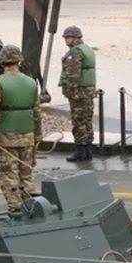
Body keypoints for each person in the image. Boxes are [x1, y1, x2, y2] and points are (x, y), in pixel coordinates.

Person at [0, 45, 42, 212]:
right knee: (27, 174)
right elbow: (37, 112)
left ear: (2, 63)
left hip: (7, 138)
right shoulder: (31, 82)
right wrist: (37, 135)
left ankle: (15, 209)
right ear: (19, 61)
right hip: (28, 135)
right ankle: (31, 206)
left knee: (9, 175)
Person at [58, 25, 96, 162]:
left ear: (74, 38)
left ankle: (80, 151)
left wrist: (71, 91)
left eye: (67, 37)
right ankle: (88, 150)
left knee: (79, 121)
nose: (65, 40)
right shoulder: (87, 49)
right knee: (87, 121)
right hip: (88, 91)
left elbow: (73, 74)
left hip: (79, 92)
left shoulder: (75, 52)